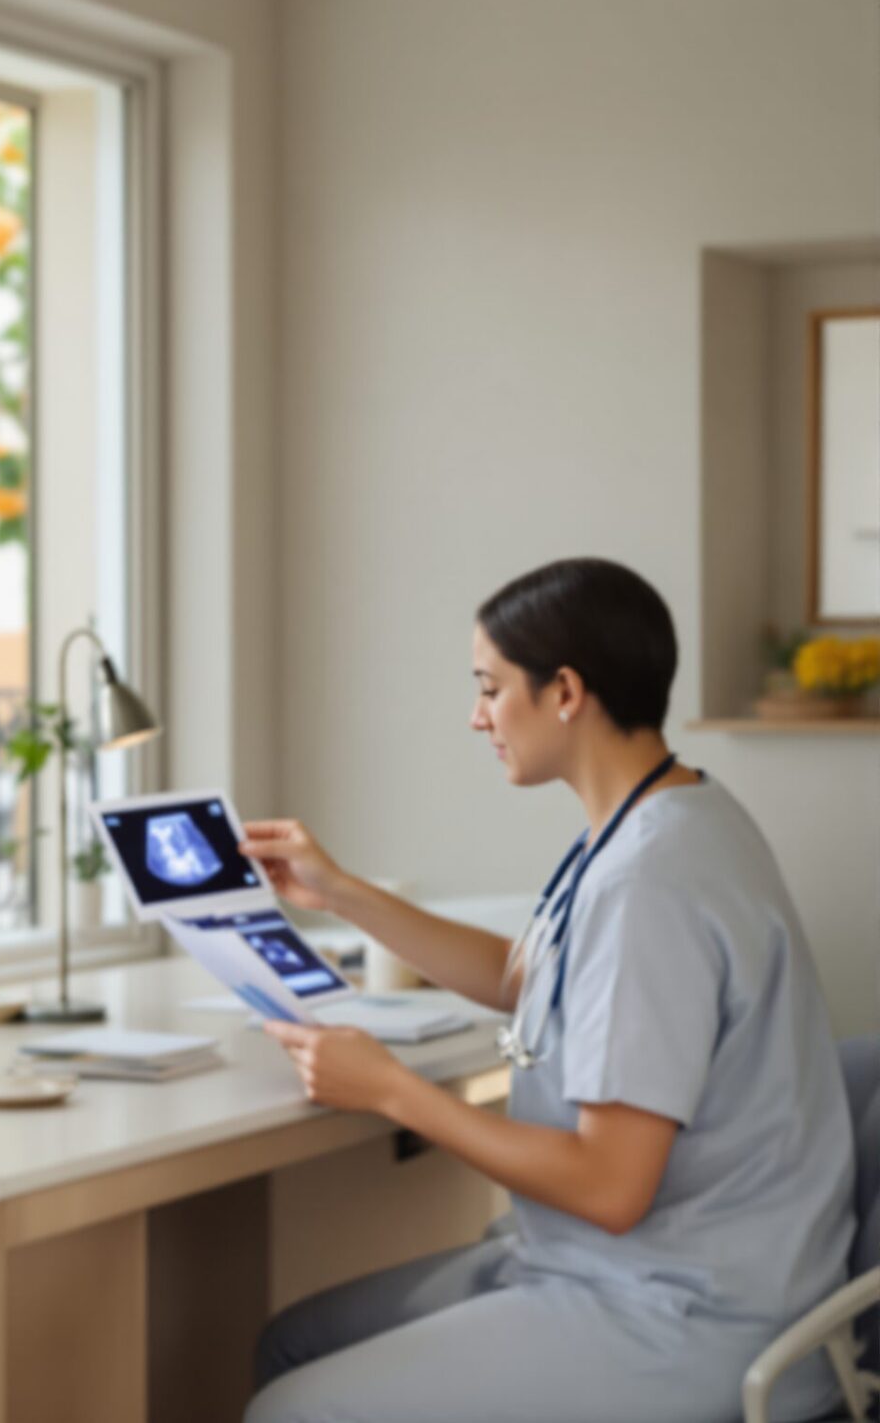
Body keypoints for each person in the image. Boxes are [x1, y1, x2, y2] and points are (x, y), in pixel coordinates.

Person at [240, 558, 852, 1423]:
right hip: (615, 1267)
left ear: (565, 690)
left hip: (678, 1310)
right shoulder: (670, 813)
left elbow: (610, 1186)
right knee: (291, 1343)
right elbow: (526, 976)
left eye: (489, 688)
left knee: (290, 1407)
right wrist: (338, 889)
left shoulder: (651, 879)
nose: (477, 716)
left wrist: (391, 1089)